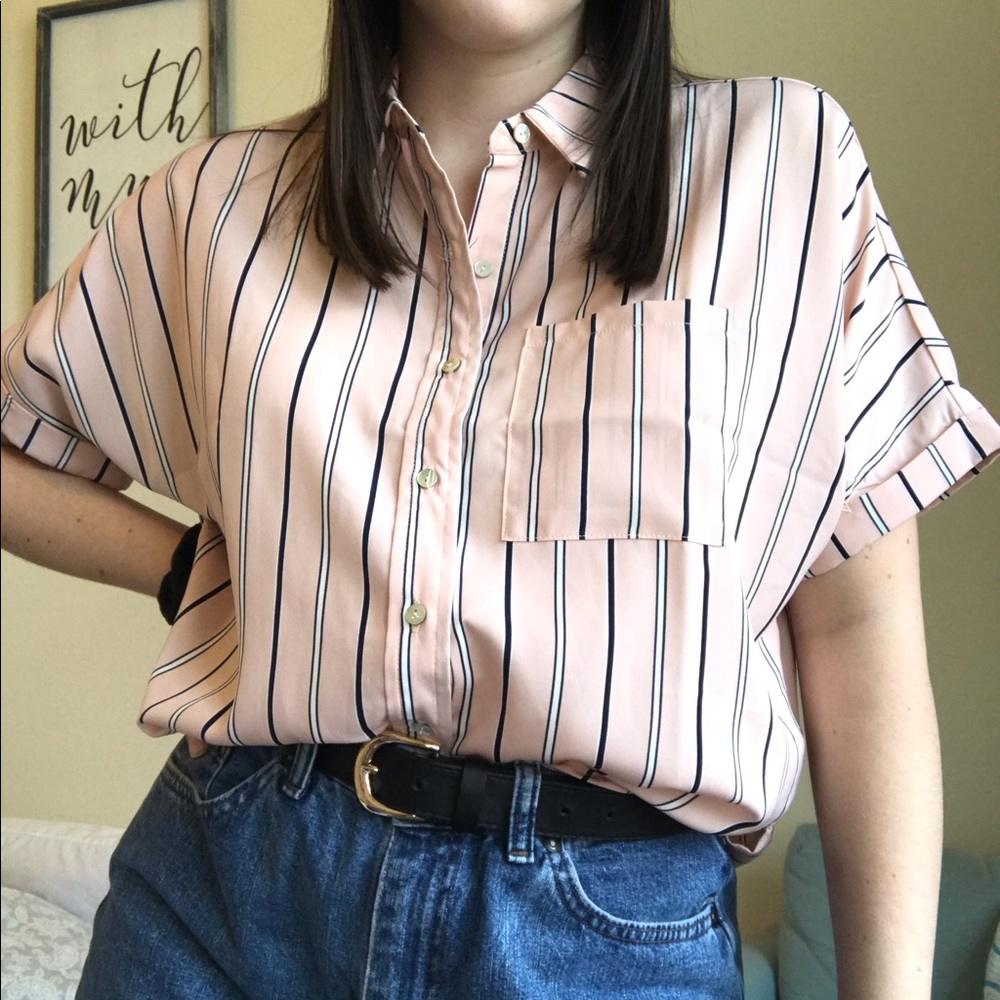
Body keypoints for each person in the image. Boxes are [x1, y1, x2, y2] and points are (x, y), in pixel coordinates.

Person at [2, 1, 997, 997]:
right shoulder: (212, 202)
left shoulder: (784, 166)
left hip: (601, 941)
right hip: (224, 889)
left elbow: (857, 629)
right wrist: (186, 566)